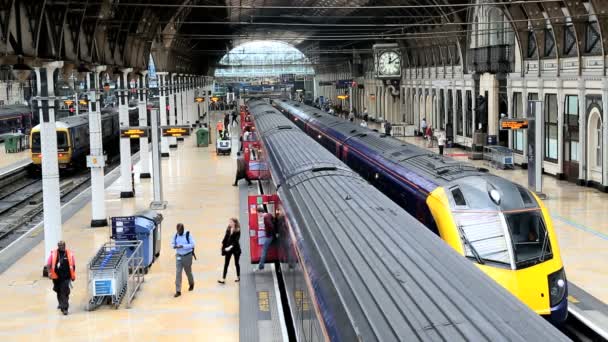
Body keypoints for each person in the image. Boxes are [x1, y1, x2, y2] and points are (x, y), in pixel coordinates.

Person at [47, 240, 76, 315]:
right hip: (56, 276)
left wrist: (73, 276)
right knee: (58, 290)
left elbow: (73, 265)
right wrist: (49, 272)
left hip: (66, 277)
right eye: (59, 245)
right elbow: (49, 264)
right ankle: (60, 303)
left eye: (62, 245)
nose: (61, 247)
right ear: (58, 246)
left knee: (64, 291)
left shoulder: (69, 254)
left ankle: (65, 308)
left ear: (65, 246)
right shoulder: (54, 254)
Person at [172, 223, 195, 297]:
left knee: (188, 272)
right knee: (178, 273)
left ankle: (191, 283)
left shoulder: (188, 234)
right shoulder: (175, 235)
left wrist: (183, 246)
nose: (179, 233)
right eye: (178, 231)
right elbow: (172, 243)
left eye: (180, 231)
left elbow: (192, 245)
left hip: (187, 256)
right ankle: (178, 291)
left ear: (183, 229)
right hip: (179, 256)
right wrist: (174, 246)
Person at [257, 206, 283, 271]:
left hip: (269, 236)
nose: (258, 215)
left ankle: (261, 266)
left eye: (258, 213)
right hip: (272, 235)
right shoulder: (269, 214)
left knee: (264, 250)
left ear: (260, 212)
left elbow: (271, 226)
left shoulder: (265, 218)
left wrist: (275, 233)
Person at [218, 218, 242, 284]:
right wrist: (222, 245)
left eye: (231, 222)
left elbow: (236, 241)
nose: (230, 223)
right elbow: (225, 237)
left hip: (235, 249)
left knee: (236, 263)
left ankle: (238, 276)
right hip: (228, 249)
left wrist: (230, 247)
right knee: (226, 264)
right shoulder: (228, 228)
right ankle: (223, 279)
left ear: (234, 223)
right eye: (229, 222)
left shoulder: (238, 230)